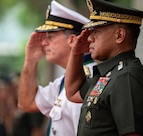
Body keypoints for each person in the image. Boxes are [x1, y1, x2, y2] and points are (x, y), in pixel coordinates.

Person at [64, 0, 143, 135]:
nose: (89, 38)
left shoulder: (126, 76)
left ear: (119, 36)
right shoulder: (109, 74)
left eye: (96, 31)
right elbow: (72, 93)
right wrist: (76, 53)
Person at [18, 1, 97, 136]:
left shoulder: (89, 80)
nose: (44, 42)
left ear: (72, 40)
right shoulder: (63, 82)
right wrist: (30, 61)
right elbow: (27, 103)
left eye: (51, 36)